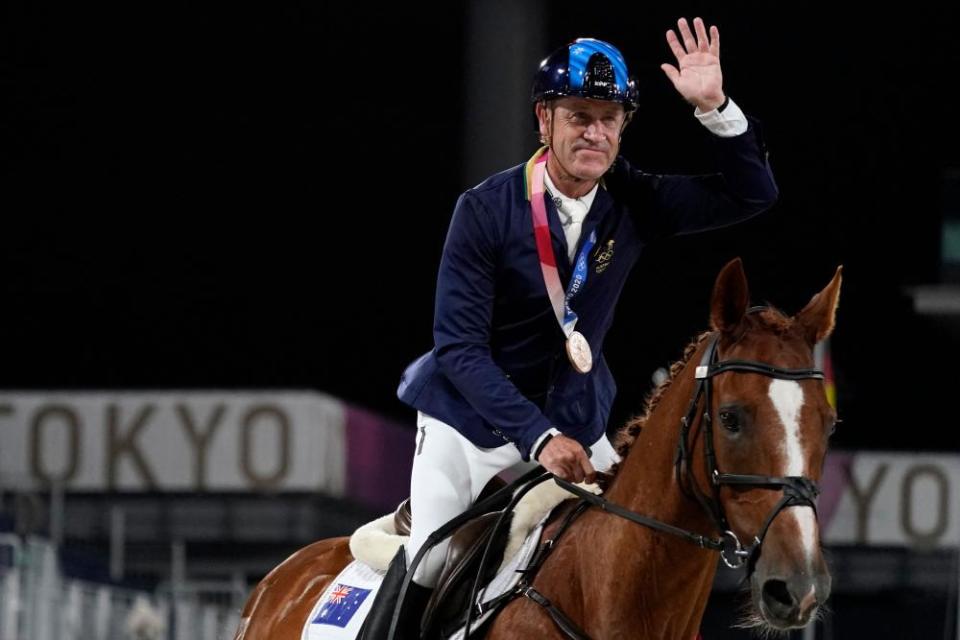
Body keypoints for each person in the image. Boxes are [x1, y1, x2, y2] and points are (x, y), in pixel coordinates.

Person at [361, 17, 779, 639]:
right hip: (470, 418)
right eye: (579, 114)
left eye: (610, 118)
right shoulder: (484, 209)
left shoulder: (633, 199)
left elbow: (754, 195)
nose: (595, 131)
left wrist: (715, 109)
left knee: (624, 540)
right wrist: (537, 438)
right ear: (544, 120)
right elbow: (459, 348)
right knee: (432, 561)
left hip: (577, 415)